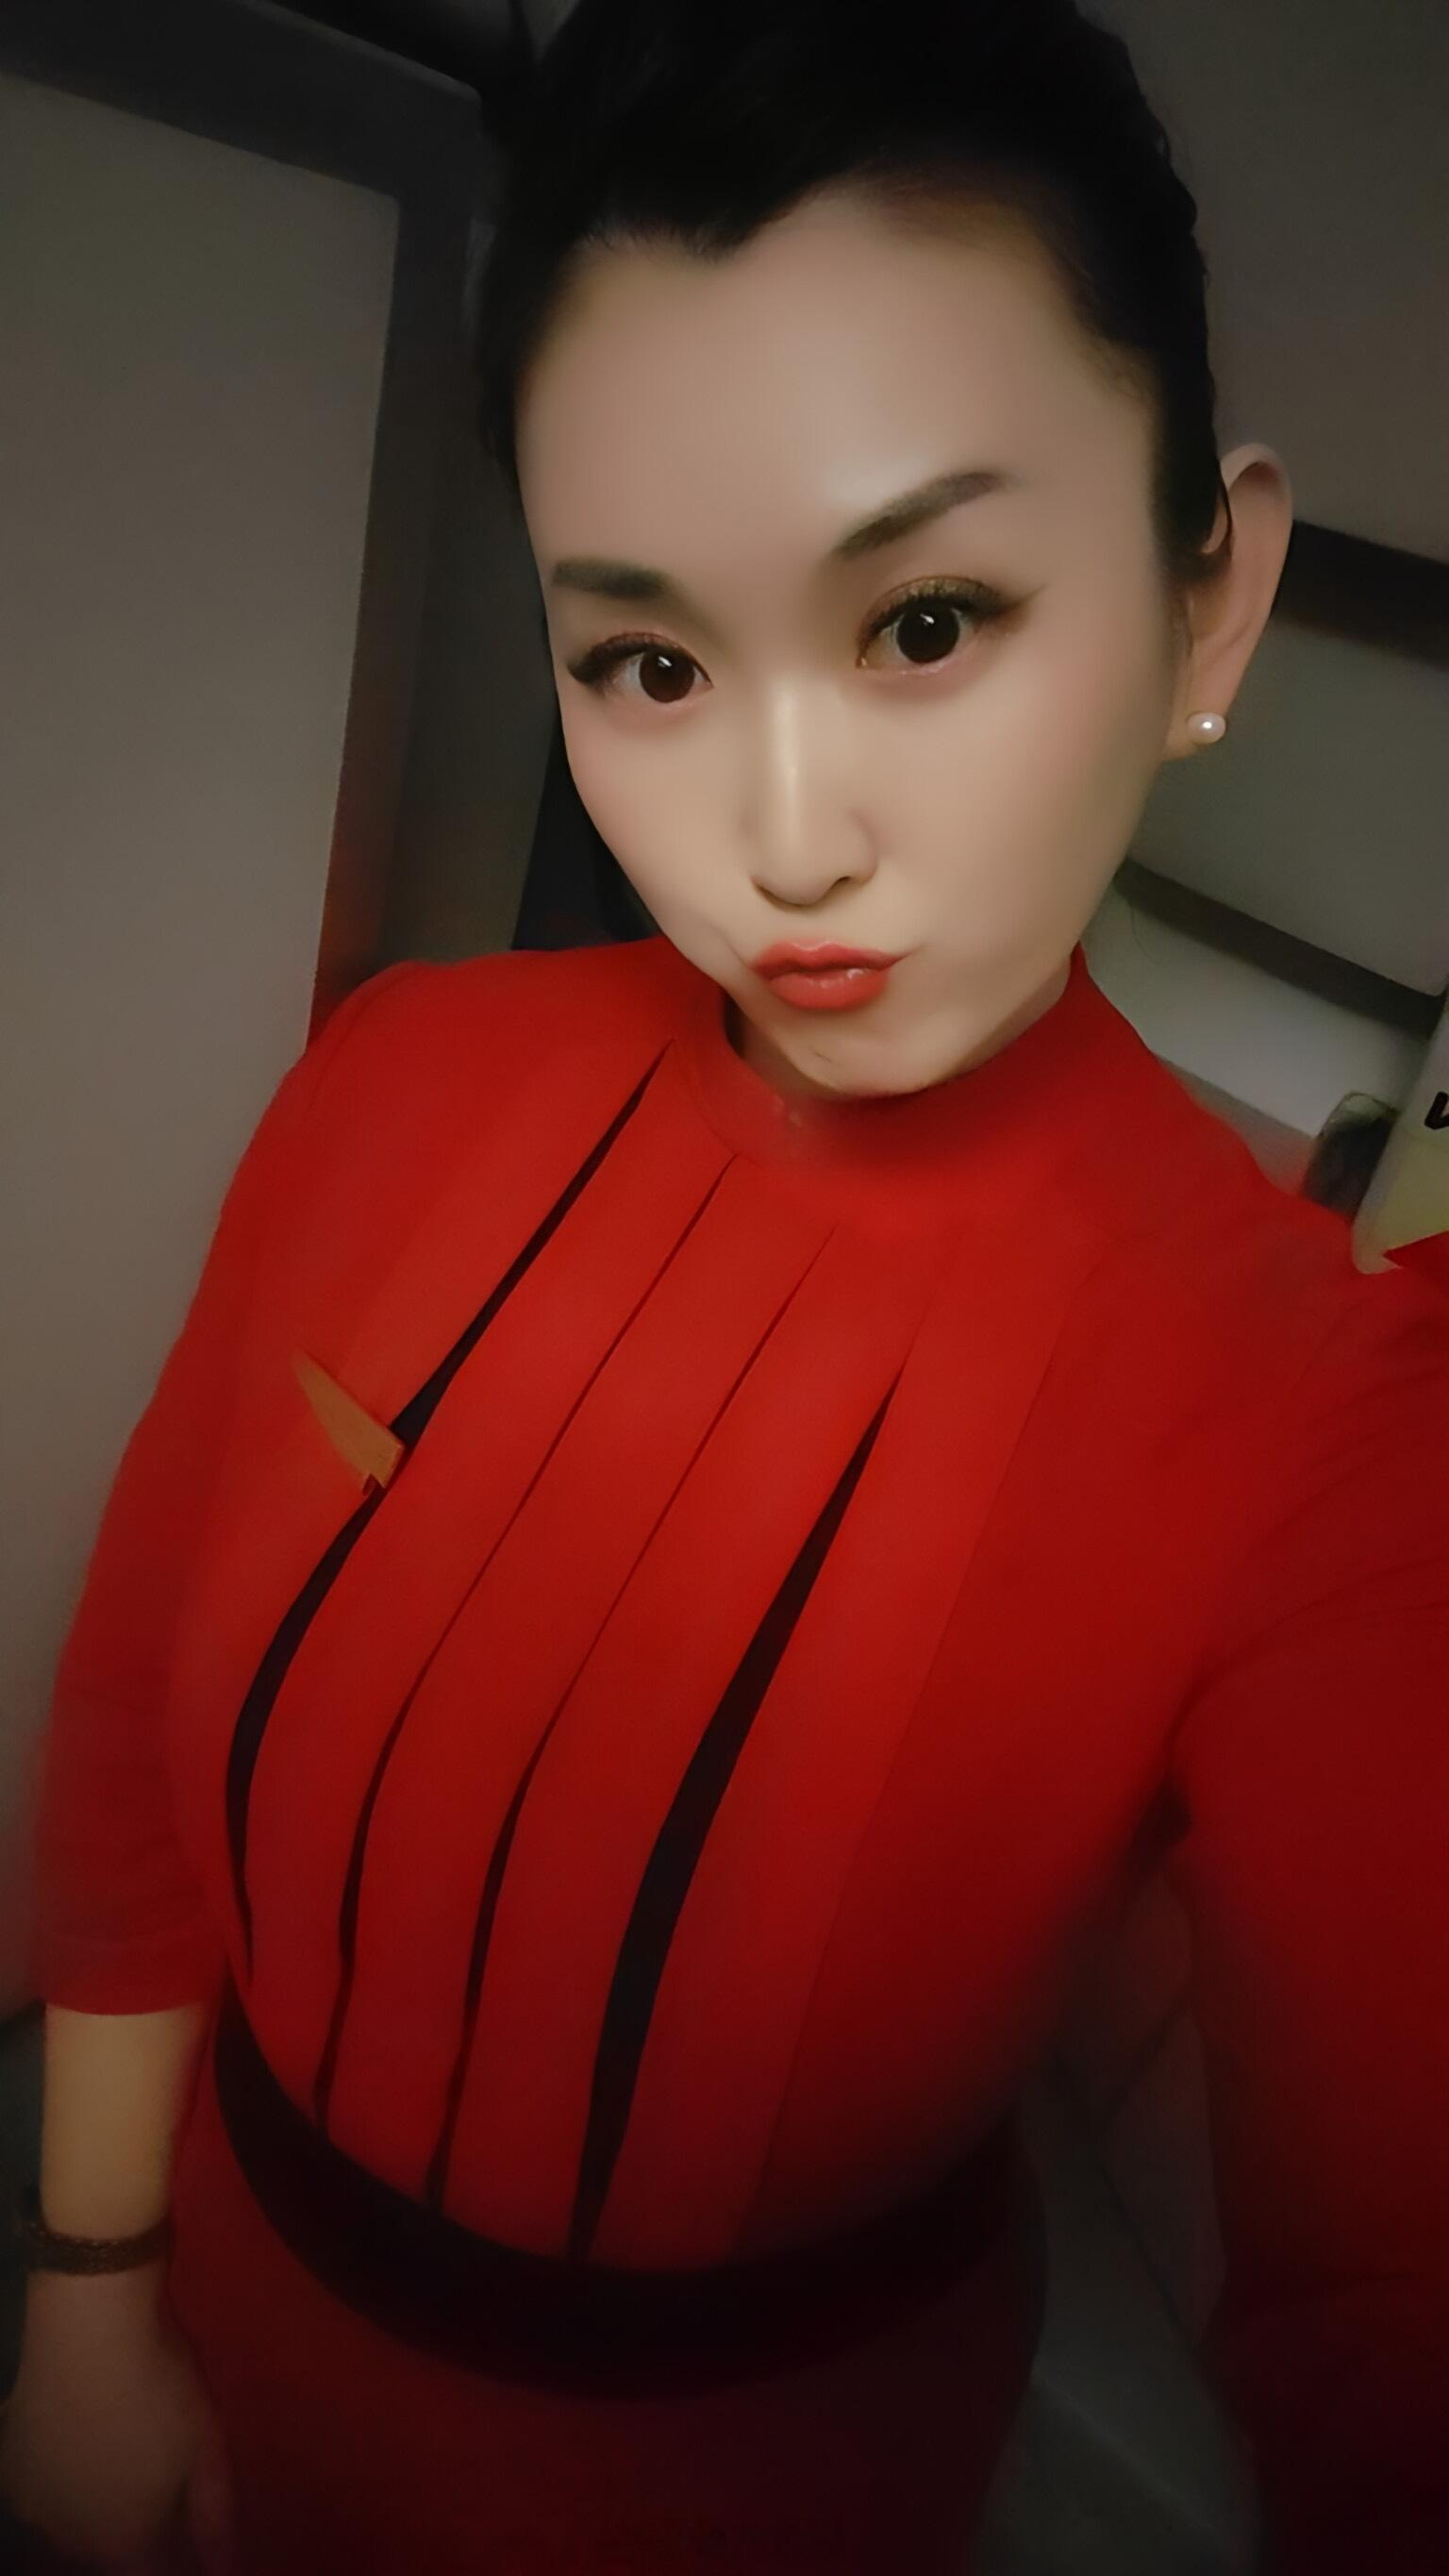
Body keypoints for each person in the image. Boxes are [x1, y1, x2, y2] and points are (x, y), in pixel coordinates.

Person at [4, 2, 1447, 2568]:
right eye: (649, 664)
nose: (784, 842)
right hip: (207, 2323)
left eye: (930, 620)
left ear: (1208, 598)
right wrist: (87, 2300)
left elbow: (1392, 2298)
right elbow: (134, 1722)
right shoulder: (405, 1074)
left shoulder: (1325, 1418)